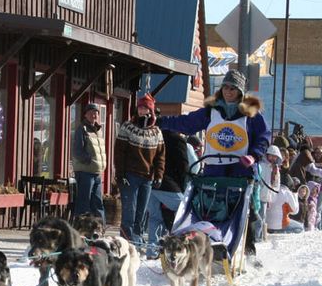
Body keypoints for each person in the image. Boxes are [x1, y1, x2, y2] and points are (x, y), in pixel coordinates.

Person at [157, 69, 271, 261]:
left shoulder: (252, 116)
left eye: (233, 88)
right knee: (208, 210)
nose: (228, 91)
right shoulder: (212, 111)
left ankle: (248, 252)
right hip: (213, 171)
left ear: (240, 91)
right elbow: (187, 123)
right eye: (225, 87)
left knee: (243, 213)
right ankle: (204, 244)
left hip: (240, 173)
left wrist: (254, 156)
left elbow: (264, 138)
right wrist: (161, 121)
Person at [114, 93, 165, 248]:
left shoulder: (156, 131)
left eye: (145, 108)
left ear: (151, 111)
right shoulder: (128, 127)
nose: (142, 111)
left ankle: (137, 243)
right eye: (140, 108)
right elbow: (119, 152)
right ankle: (125, 243)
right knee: (129, 212)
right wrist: (120, 174)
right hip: (130, 175)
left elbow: (160, 155)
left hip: (147, 177)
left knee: (141, 214)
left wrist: (159, 175)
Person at [146, 129, 189, 260]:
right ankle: (179, 245)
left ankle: (152, 252)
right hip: (168, 183)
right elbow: (183, 166)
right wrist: (183, 186)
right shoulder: (178, 140)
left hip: (149, 181)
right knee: (184, 210)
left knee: (154, 218)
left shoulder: (153, 136)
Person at [72, 103, 107, 223]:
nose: (94, 114)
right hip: (85, 172)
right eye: (91, 112)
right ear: (85, 114)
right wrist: (89, 160)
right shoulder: (82, 129)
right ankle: (80, 229)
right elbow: (77, 151)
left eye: (96, 112)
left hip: (97, 173)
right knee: (83, 203)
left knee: (98, 203)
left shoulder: (99, 130)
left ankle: (100, 228)